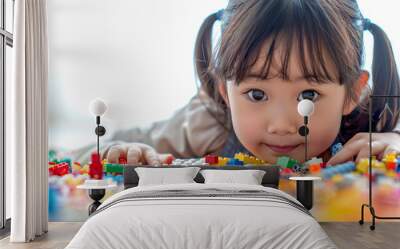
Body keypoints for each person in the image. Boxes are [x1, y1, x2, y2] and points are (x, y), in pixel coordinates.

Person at [72, 0, 400, 166]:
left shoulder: (373, 128)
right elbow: (83, 156)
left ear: (352, 93)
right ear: (224, 91)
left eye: (309, 94)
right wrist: (127, 154)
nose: (283, 124)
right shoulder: (207, 121)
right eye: (256, 94)